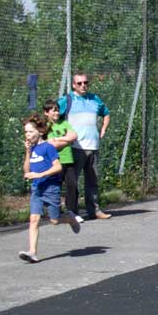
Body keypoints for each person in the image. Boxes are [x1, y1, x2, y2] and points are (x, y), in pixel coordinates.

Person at [19, 113, 80, 263]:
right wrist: (27, 152)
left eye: (30, 131)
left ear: (40, 132)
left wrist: (40, 174)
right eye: (26, 132)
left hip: (51, 188)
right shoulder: (32, 149)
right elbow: (26, 171)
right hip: (37, 189)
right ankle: (32, 252)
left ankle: (70, 218)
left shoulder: (48, 147)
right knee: (34, 219)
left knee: (55, 220)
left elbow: (58, 167)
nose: (27, 135)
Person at [57, 73, 111, 221]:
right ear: (74, 85)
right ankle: (72, 212)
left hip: (93, 146)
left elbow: (106, 113)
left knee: (93, 181)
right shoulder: (67, 100)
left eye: (85, 82)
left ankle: (94, 210)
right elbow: (53, 115)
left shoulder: (94, 99)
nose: (83, 86)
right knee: (72, 182)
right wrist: (59, 136)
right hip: (74, 147)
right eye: (79, 83)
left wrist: (103, 129)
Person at [43, 99, 78, 218]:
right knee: (55, 188)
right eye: (53, 111)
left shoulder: (64, 123)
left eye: (57, 110)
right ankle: (55, 212)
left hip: (69, 160)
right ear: (46, 112)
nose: (56, 113)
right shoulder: (46, 127)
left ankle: (71, 212)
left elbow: (74, 135)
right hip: (56, 161)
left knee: (72, 186)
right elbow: (52, 145)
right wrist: (67, 139)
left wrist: (58, 139)